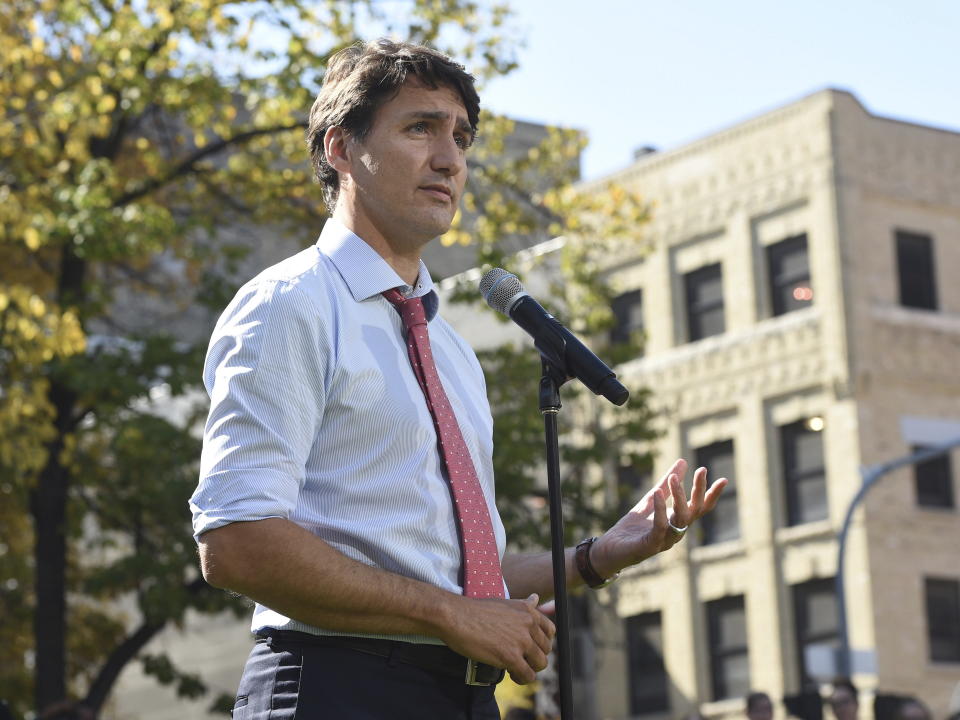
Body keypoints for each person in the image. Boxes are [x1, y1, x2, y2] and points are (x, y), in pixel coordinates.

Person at [189, 38, 727, 720]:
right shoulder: (291, 304)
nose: (450, 158)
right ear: (340, 149)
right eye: (420, 128)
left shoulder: (450, 350)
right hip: (336, 688)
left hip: (463, 697)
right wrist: (450, 615)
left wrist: (600, 556)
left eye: (462, 137)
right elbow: (235, 541)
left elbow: (466, 578)